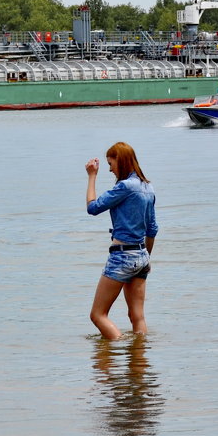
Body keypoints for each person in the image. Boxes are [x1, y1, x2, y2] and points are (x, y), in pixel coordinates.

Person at [85, 142, 158, 339]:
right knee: (137, 317)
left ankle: (118, 348)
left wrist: (92, 176)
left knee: (98, 315)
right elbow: (152, 229)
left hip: (123, 255)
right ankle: (138, 362)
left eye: (111, 163)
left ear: (121, 161)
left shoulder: (124, 186)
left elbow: (93, 208)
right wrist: (145, 258)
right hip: (142, 255)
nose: (110, 169)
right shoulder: (148, 187)